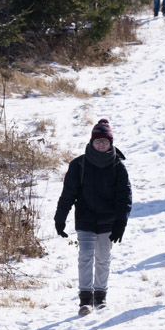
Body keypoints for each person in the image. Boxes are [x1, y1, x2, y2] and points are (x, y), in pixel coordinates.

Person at [55, 119, 133, 315]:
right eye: (97, 141)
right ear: (91, 142)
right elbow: (68, 194)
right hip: (85, 218)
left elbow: (124, 196)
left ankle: (100, 296)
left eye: (104, 141)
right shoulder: (79, 164)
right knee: (85, 257)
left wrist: (121, 222)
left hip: (108, 220)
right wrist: (60, 218)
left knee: (103, 258)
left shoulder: (117, 166)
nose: (101, 144)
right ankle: (85, 300)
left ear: (110, 143)